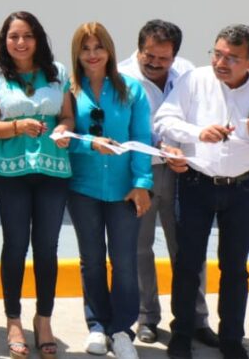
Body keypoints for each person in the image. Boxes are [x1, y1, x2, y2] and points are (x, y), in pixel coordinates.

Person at [155, 24, 249, 359]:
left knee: (235, 268)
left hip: (242, 189)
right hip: (196, 183)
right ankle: (182, 335)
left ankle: (232, 339)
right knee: (188, 263)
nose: (222, 62)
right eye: (217, 53)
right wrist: (197, 132)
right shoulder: (194, 80)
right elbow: (163, 120)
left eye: (233, 57)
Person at [0, 10, 74, 359]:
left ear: (38, 39)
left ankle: (44, 320)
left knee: (46, 248)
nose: (20, 42)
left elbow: (66, 115)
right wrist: (18, 126)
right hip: (9, 172)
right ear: (5, 40)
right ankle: (14, 320)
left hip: (52, 170)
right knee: (15, 246)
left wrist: (63, 128)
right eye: (13, 36)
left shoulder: (58, 72)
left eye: (27, 35)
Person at [118, 20, 217, 347]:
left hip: (182, 172)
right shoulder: (121, 77)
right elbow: (125, 129)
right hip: (139, 173)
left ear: (175, 55)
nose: (155, 63)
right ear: (139, 48)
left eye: (163, 58)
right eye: (149, 55)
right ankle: (147, 318)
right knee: (139, 248)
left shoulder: (188, 73)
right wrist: (161, 146)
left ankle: (195, 319)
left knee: (188, 249)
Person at [65, 22, 152, 359]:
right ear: (77, 54)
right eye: (85, 48)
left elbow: (143, 139)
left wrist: (142, 183)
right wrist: (90, 144)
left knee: (124, 261)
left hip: (124, 191)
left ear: (109, 50)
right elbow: (66, 139)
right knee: (92, 261)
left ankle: (122, 329)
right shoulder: (70, 91)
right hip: (83, 188)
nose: (92, 54)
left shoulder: (131, 90)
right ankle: (98, 326)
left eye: (98, 47)